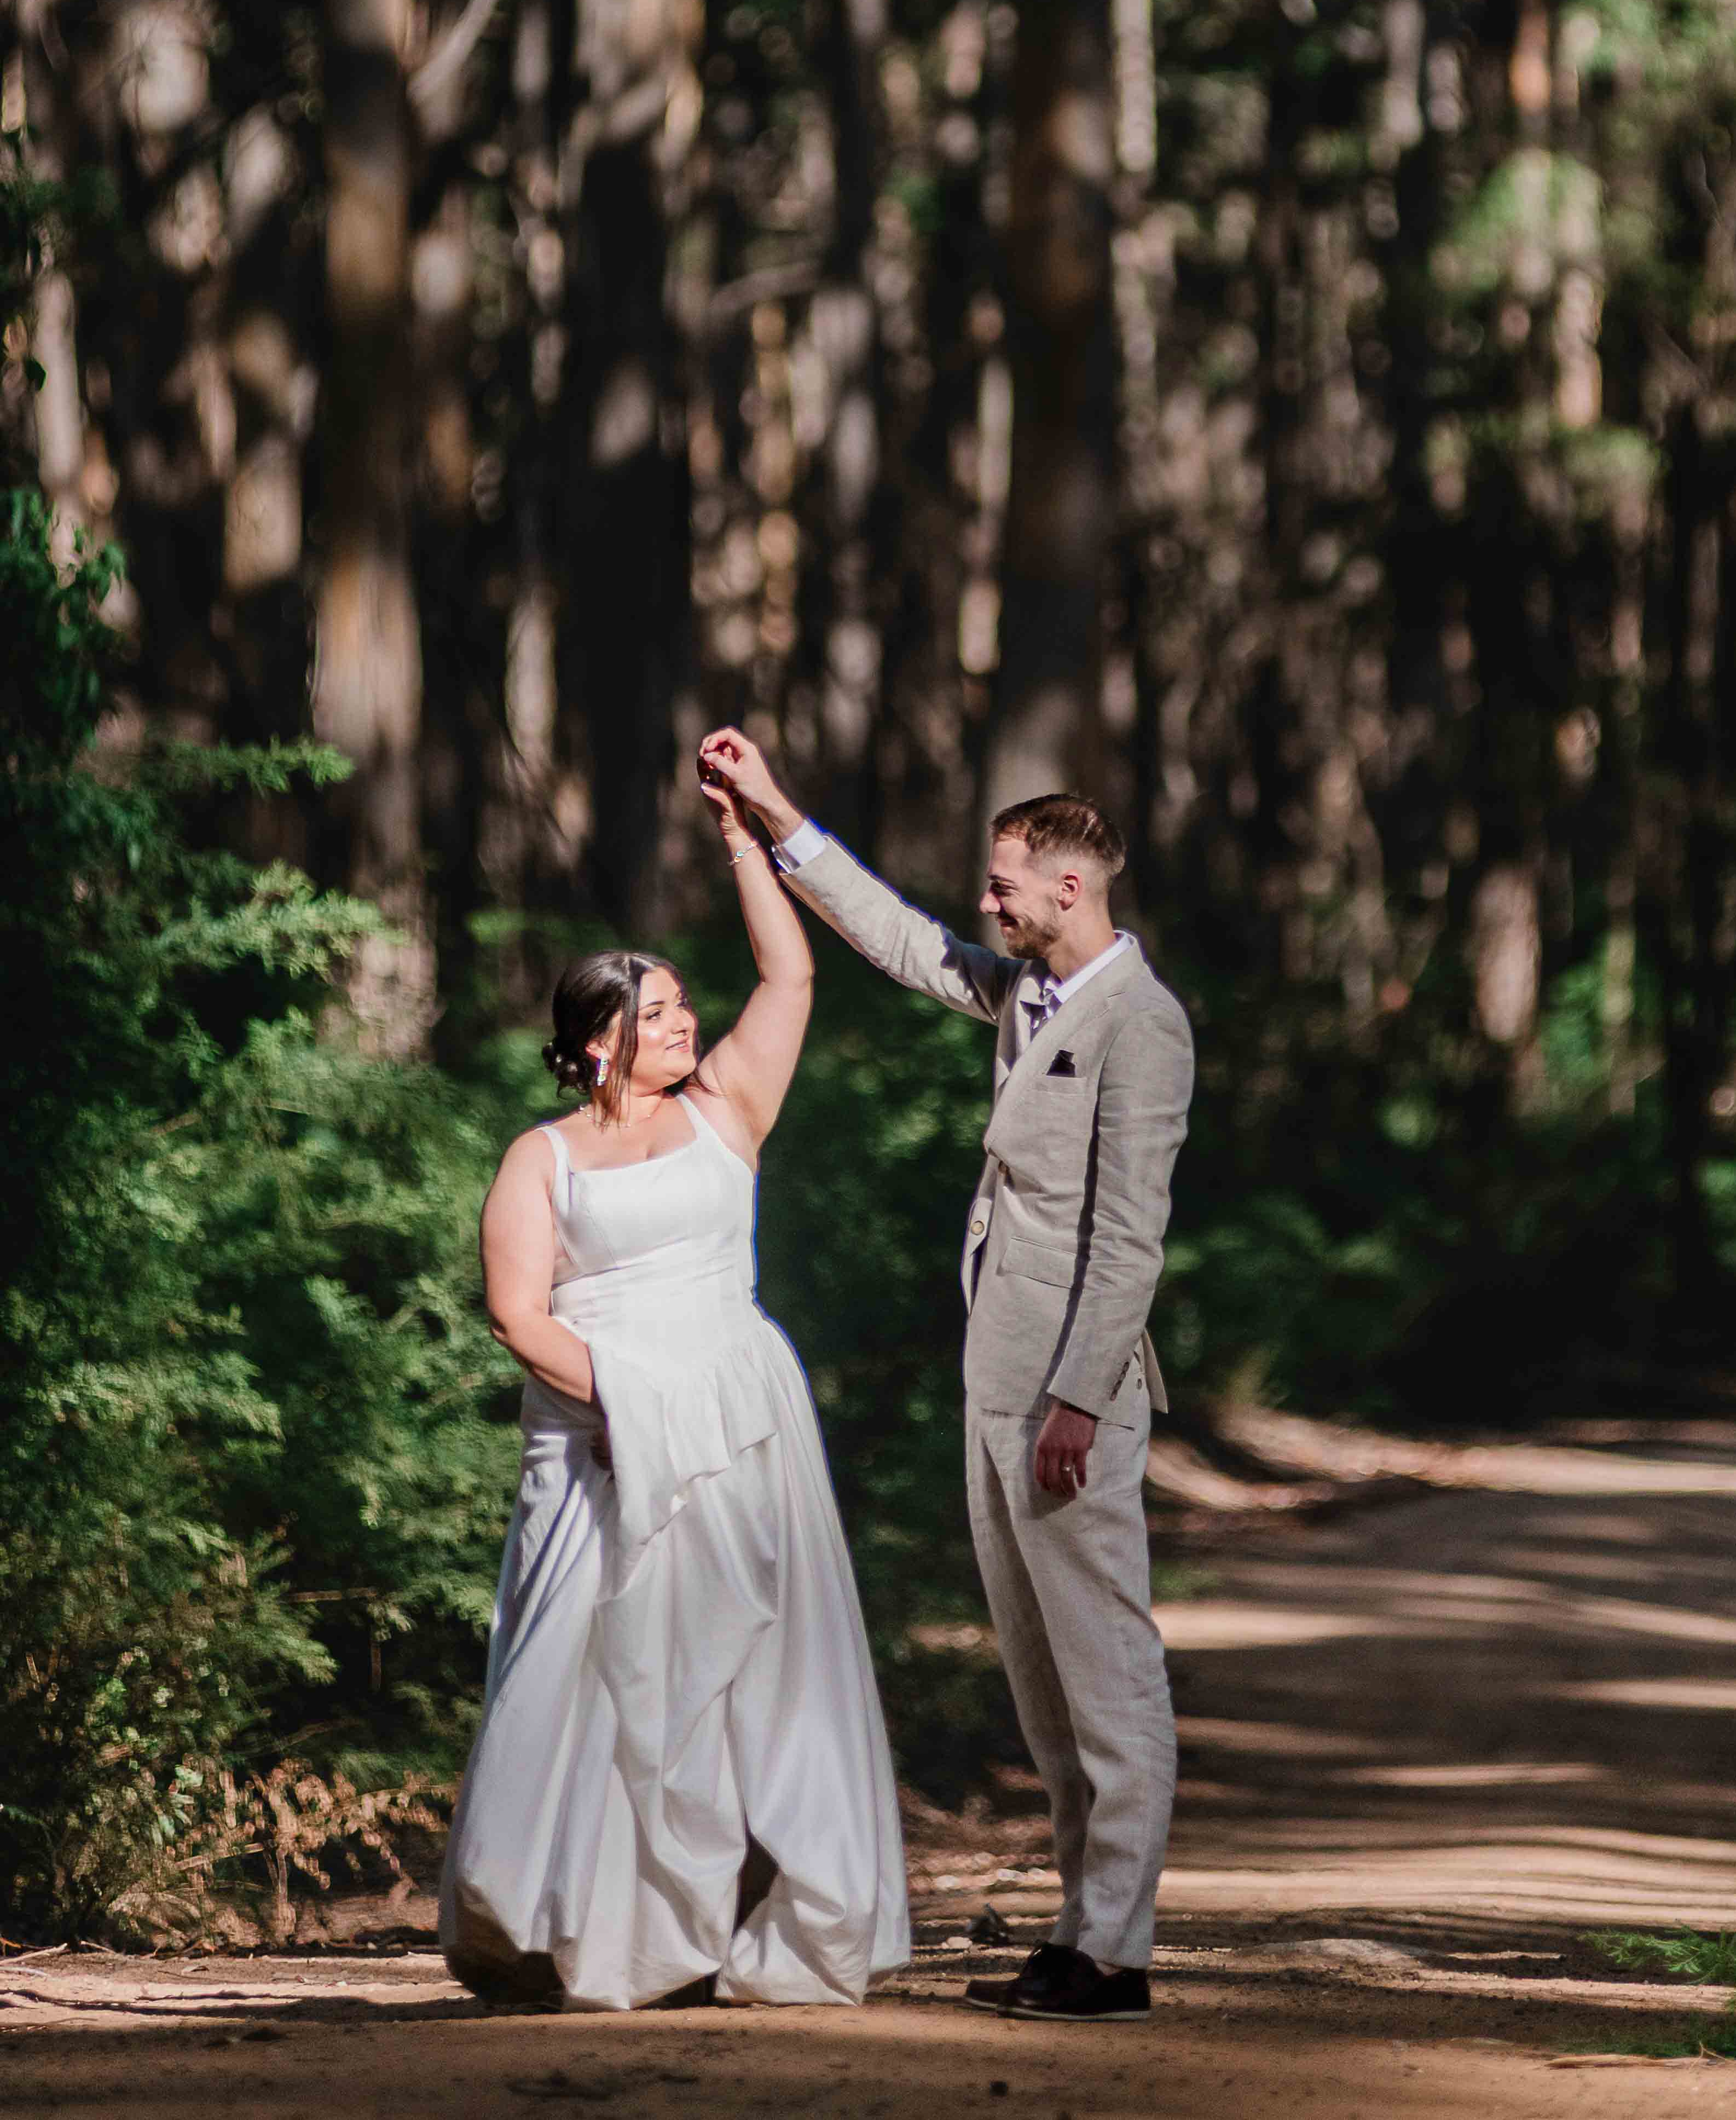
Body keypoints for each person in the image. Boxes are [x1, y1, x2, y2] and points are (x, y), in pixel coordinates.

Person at [698, 727, 1194, 2027]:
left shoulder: (1141, 1024)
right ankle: (1080, 1927)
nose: (988, 901)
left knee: (1108, 1668)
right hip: (998, 1379)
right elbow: (898, 936)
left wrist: (1081, 1400)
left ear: (1071, 888)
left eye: (1005, 885)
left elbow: (1130, 1233)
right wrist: (770, 811)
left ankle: (1115, 1952)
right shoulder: (1025, 994)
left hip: (1072, 1398)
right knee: (1040, 1682)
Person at [437, 765, 909, 2012]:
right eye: (657, 1017)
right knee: (582, 1663)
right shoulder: (537, 1158)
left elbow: (792, 979)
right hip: (600, 1430)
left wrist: (742, 835)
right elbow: (516, 1312)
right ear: (599, 1042)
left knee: (752, 1666)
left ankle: (728, 1922)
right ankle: (566, 1925)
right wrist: (624, 1409)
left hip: (743, 1418)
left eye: (685, 1009)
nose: (684, 1027)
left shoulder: (728, 1112)